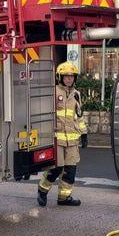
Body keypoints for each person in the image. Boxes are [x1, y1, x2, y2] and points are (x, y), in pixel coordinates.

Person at [37, 62, 88, 206]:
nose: (69, 79)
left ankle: (64, 197)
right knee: (56, 169)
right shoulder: (53, 92)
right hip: (57, 139)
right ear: (60, 77)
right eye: (66, 76)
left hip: (72, 140)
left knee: (70, 171)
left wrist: (84, 133)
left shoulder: (76, 95)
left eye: (72, 76)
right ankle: (42, 191)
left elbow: (79, 116)